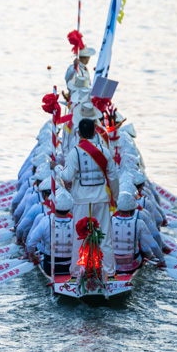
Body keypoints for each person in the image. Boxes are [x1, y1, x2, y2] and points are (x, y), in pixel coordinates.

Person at [56, 117, 119, 278]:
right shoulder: (105, 152)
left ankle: (76, 273)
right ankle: (109, 273)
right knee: (105, 237)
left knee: (80, 237)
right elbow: (113, 177)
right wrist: (115, 197)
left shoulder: (75, 152)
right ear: (94, 132)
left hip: (82, 200)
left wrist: (57, 169)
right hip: (101, 200)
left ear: (78, 133)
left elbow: (68, 176)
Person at [111, 191, 165, 274]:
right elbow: (153, 244)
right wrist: (161, 260)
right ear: (133, 209)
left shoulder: (109, 221)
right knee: (143, 247)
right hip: (132, 265)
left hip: (112, 265)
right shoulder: (139, 223)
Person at [26, 189, 75, 277]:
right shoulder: (75, 222)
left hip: (51, 267)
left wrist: (32, 255)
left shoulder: (46, 221)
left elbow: (30, 243)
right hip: (71, 267)